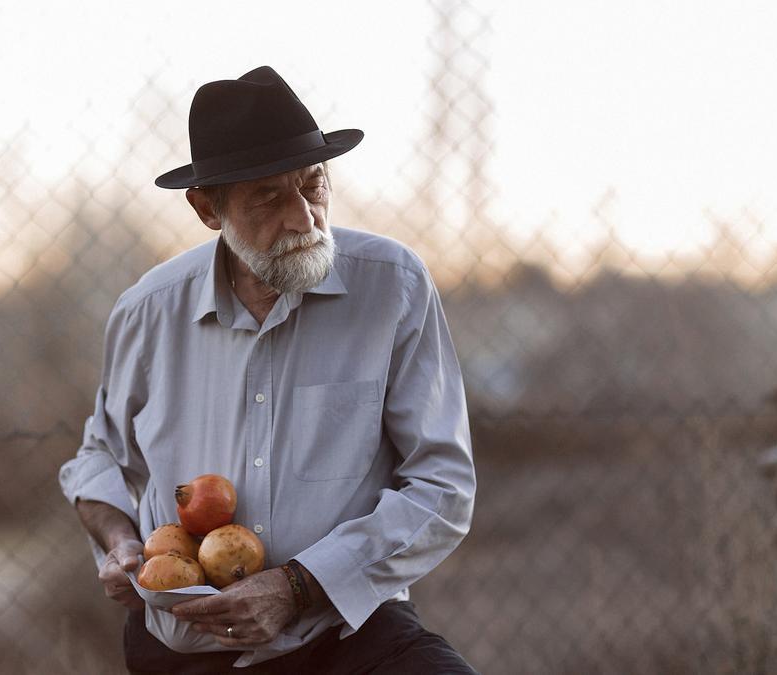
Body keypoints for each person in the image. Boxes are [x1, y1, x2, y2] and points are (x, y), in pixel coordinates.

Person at [58, 65, 477, 673]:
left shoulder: (393, 286)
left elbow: (443, 486)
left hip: (348, 631)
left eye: (312, 185)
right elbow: (98, 459)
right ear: (207, 208)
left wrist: (299, 586)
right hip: (189, 644)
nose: (304, 218)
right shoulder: (148, 312)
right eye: (268, 198)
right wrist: (123, 545)